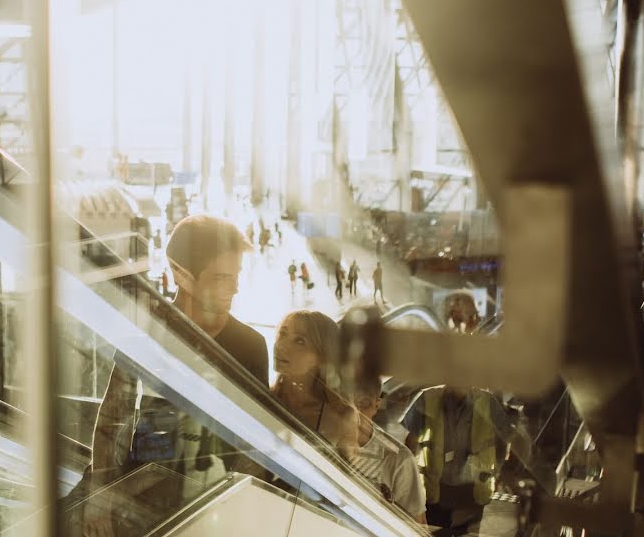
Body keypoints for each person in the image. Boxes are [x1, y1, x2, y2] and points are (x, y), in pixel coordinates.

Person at [85, 215, 269, 536]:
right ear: (183, 277)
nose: (235, 288)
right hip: (144, 509)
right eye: (223, 277)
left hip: (216, 509)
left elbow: (255, 445)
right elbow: (114, 417)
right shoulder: (145, 335)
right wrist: (100, 493)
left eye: (236, 276)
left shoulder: (251, 346)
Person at [401, 385, 529, 536]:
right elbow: (410, 443)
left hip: (473, 494)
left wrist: (500, 470)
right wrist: (408, 482)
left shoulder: (487, 402)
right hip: (435, 491)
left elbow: (510, 438)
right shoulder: (427, 398)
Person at [272, 310, 358, 460]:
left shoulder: (341, 416)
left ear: (323, 357)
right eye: (283, 334)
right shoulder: (262, 398)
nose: (281, 346)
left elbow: (346, 475)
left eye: (300, 341)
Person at [350, 376, 426, 523]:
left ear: (376, 406)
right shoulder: (319, 439)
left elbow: (417, 525)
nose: (354, 410)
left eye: (363, 403)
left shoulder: (399, 460)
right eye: (347, 400)